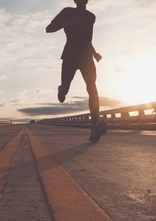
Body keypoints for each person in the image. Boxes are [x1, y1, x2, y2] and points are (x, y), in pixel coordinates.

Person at [46, 0, 105, 142]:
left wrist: (94, 53)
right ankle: (62, 89)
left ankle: (95, 126)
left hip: (86, 57)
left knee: (92, 87)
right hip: (70, 56)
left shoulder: (91, 16)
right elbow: (49, 28)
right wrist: (67, 23)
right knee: (66, 87)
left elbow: (87, 40)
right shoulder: (67, 12)